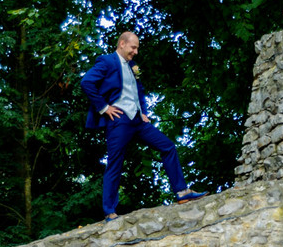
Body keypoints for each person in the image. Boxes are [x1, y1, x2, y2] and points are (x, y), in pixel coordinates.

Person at [82, 31, 204, 222]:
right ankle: (109, 212)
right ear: (122, 44)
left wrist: (143, 111)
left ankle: (181, 192)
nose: (136, 52)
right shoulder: (107, 61)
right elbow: (87, 82)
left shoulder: (133, 67)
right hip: (119, 120)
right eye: (133, 47)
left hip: (138, 121)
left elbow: (139, 91)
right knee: (115, 163)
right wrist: (104, 108)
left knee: (168, 146)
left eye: (137, 48)